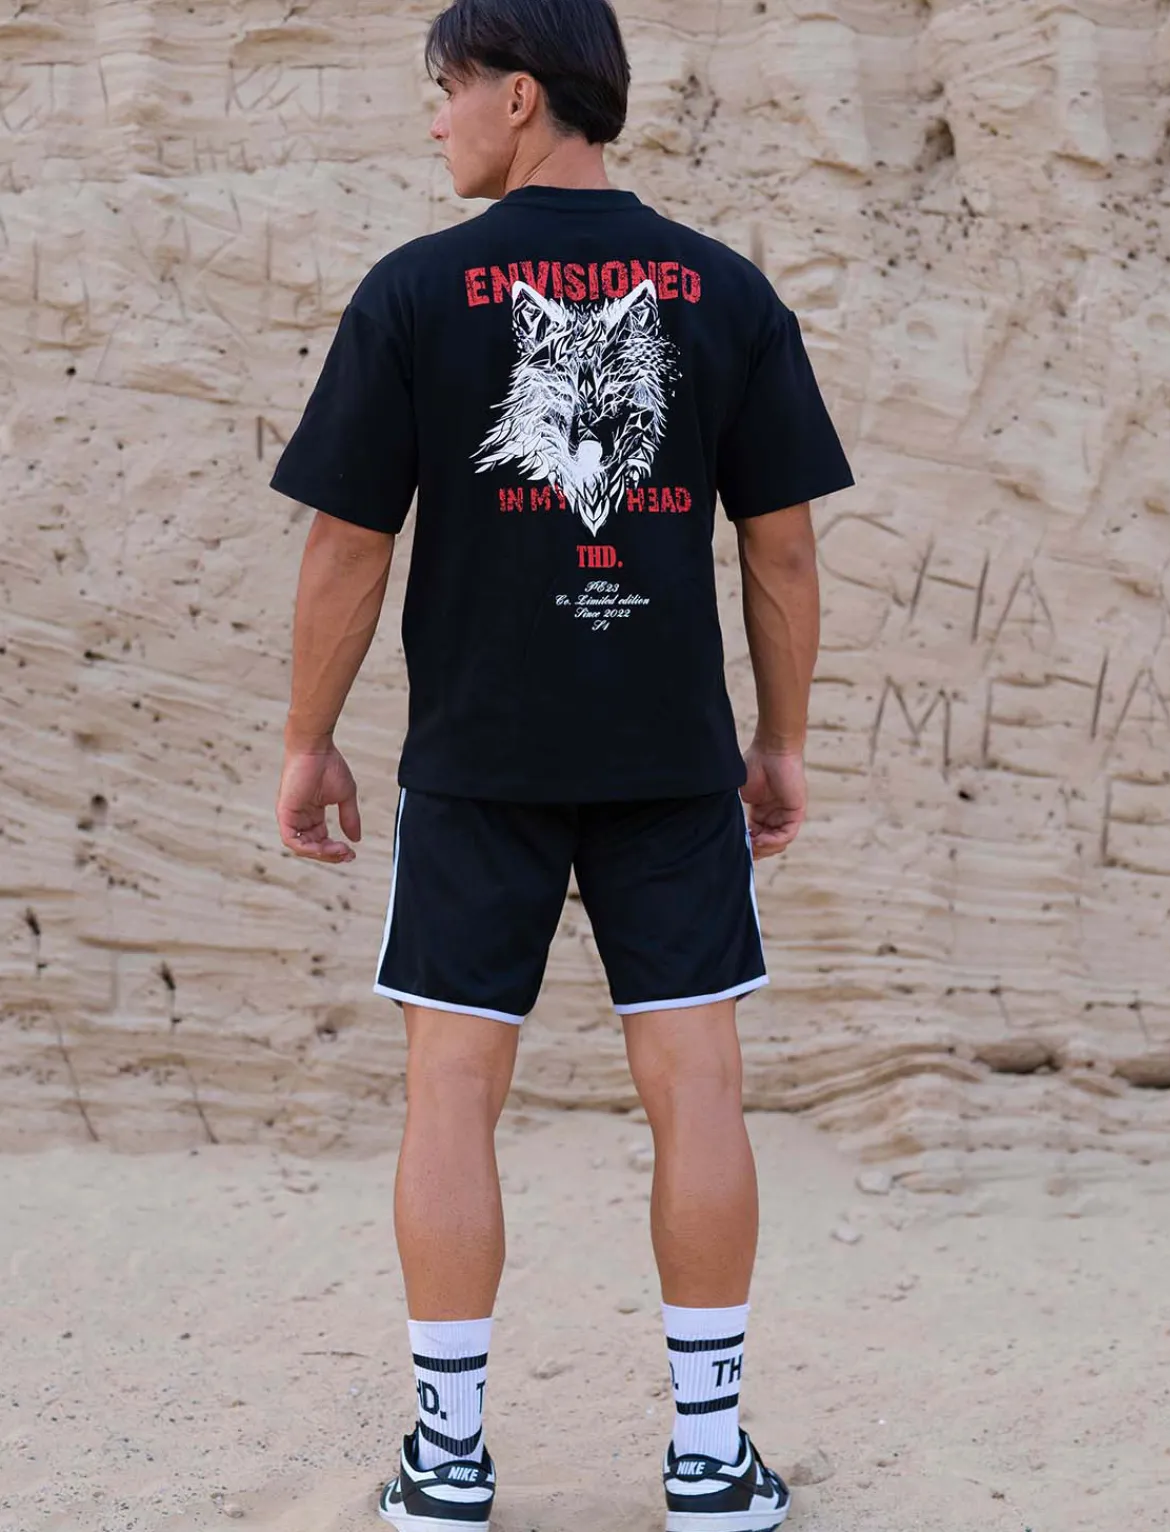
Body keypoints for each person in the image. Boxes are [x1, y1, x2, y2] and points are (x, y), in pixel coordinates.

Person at [271, 0, 854, 1526]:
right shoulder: (725, 289)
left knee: (452, 1091)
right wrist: (780, 740)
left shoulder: (415, 292)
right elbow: (783, 549)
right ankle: (710, 1463)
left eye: (446, 89)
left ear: (519, 95)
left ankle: (449, 1464)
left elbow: (347, 544)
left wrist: (310, 738)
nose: (436, 118)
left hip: (480, 759)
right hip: (670, 760)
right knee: (699, 1086)